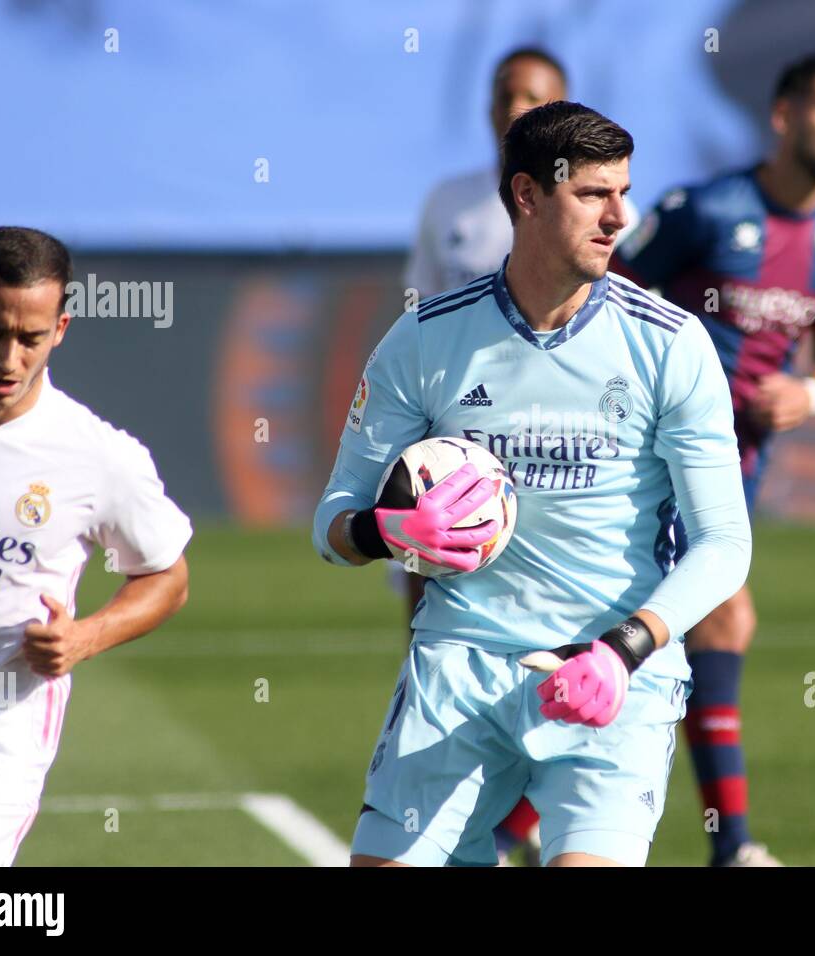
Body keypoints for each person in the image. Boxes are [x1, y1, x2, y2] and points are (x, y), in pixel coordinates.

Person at [313, 101, 750, 866]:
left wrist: (622, 651)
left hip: (613, 674)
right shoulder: (425, 338)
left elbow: (724, 545)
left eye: (624, 191)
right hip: (458, 666)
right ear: (525, 195)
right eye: (592, 194)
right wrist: (381, 532)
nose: (620, 217)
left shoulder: (672, 345)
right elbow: (331, 523)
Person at [612, 52, 815, 866]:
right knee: (719, 615)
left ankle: (511, 829)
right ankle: (736, 849)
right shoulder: (705, 209)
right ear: (785, 116)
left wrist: (811, 399)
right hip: (648, 458)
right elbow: (607, 298)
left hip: (737, 469)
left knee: (681, 626)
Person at [401, 45, 637, 864]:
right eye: (505, 93)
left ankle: (528, 813)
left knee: (558, 619)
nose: (513, 107)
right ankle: (460, 769)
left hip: (560, 454)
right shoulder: (452, 204)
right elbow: (423, 309)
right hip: (458, 453)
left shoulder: (594, 218)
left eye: (533, 96)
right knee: (440, 610)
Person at [0, 226, 192, 866]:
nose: (9, 358)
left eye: (30, 338)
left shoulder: (97, 457)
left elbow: (168, 576)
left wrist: (86, 636)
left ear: (60, 329)